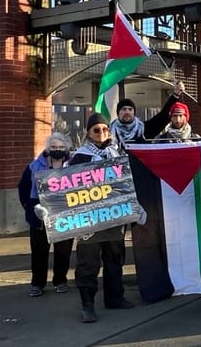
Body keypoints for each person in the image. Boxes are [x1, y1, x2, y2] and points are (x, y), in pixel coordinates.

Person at [68, 113, 136, 323]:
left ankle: (115, 298)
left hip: (114, 216)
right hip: (89, 220)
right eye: (96, 130)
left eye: (105, 129)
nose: (101, 133)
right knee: (88, 263)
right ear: (88, 133)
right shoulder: (80, 156)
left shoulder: (116, 152)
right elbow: (67, 188)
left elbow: (127, 182)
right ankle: (87, 304)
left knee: (114, 259)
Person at [17, 132, 75, 297]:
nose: (57, 149)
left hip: (65, 216)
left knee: (63, 251)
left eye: (61, 147)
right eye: (54, 146)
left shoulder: (74, 165)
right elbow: (23, 187)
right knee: (39, 252)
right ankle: (37, 283)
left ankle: (60, 281)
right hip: (40, 217)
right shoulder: (34, 166)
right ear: (48, 148)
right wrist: (30, 206)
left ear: (66, 148)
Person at [110, 81, 185, 148]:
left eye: (130, 109)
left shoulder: (144, 129)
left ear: (134, 113)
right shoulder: (107, 132)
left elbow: (163, 116)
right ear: (118, 112)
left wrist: (175, 95)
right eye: (124, 109)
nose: (127, 112)